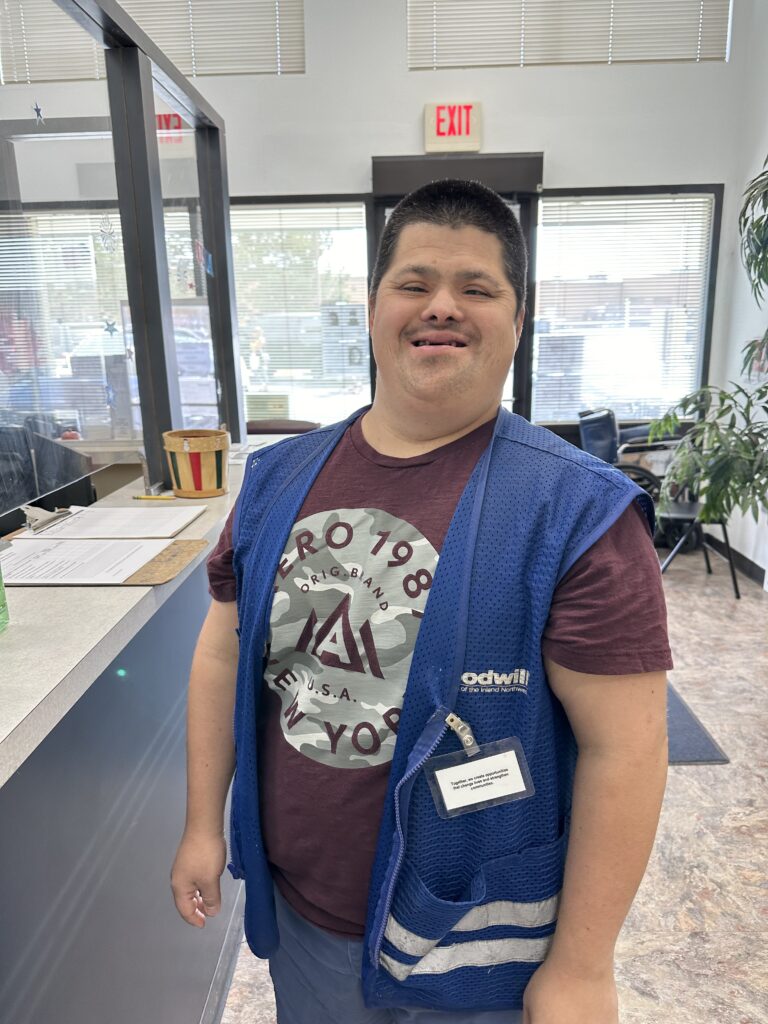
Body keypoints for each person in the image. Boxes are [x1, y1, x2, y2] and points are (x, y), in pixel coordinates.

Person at [172, 179, 671, 1024]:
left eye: (477, 288)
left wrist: (584, 967)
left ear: (519, 317)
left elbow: (626, 752)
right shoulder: (275, 481)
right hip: (305, 924)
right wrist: (200, 824)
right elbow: (224, 653)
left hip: (480, 948)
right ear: (373, 307)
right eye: (415, 284)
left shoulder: (578, 515)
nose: (442, 306)